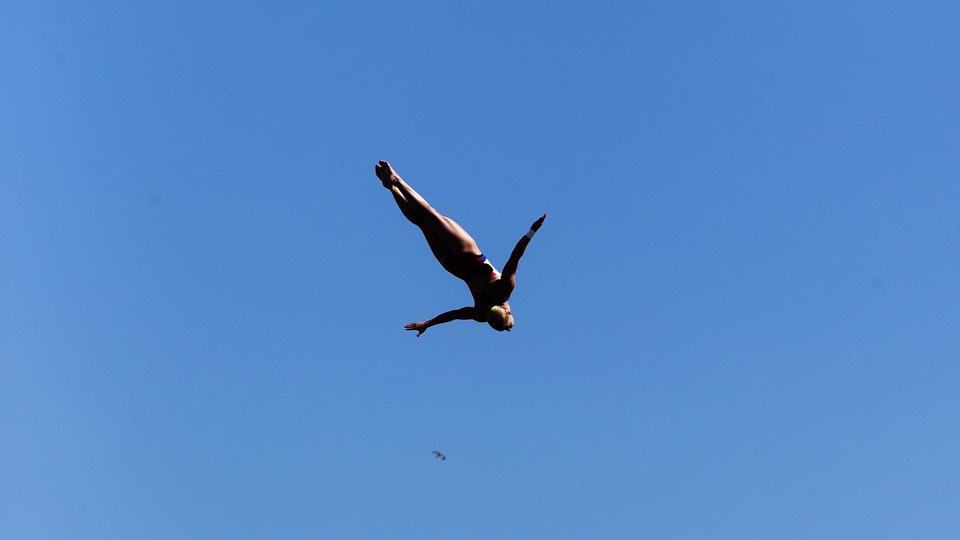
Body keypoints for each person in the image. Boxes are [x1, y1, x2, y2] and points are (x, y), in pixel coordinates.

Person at [374, 160, 546, 335]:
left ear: (507, 312)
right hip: (453, 266)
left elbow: (515, 256)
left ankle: (397, 181)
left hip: (468, 253)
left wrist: (532, 231)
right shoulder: (481, 314)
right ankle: (392, 188)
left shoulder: (504, 290)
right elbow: (454, 315)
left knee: (431, 215)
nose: (509, 329)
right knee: (422, 223)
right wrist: (427, 323)